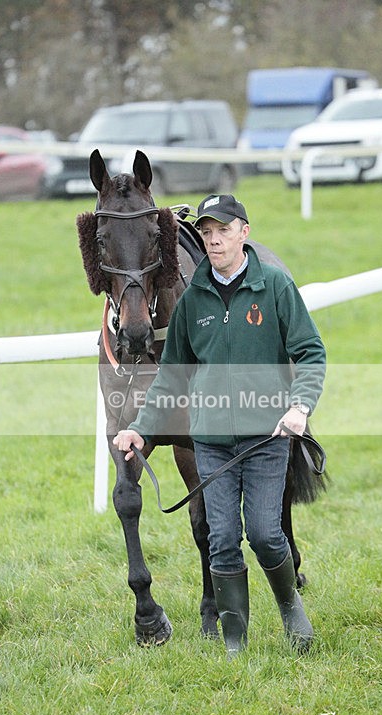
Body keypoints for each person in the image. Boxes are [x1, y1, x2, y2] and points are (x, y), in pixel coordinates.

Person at [114, 194, 326, 658]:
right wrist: (141, 429)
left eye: (223, 231)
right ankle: (234, 641)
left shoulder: (275, 286)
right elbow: (171, 376)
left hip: (266, 438)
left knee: (265, 534)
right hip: (211, 443)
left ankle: (291, 609)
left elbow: (310, 351)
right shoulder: (192, 300)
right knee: (222, 540)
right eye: (207, 233)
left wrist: (300, 406)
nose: (213, 241)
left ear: (243, 233)